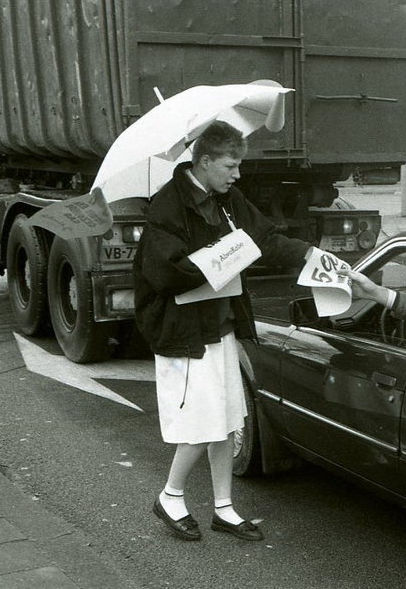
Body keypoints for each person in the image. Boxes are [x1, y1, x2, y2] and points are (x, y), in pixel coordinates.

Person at [133, 120, 312, 542]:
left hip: (220, 324)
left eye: (239, 165)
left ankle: (224, 508)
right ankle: (170, 497)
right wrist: (226, 256)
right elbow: (166, 274)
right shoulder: (166, 206)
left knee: (228, 419)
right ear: (205, 161)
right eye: (230, 166)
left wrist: (308, 254)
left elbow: (264, 238)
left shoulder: (228, 200)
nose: (237, 174)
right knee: (202, 423)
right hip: (184, 331)